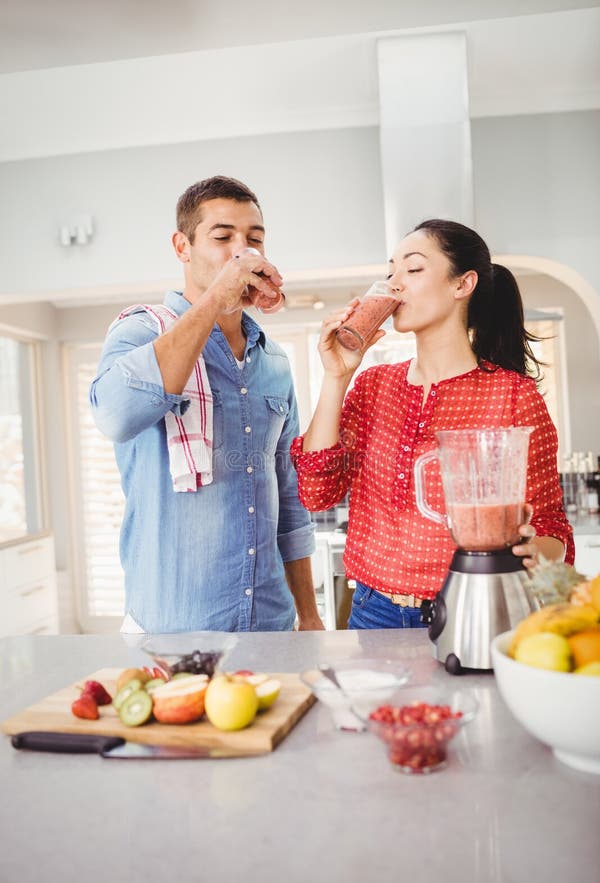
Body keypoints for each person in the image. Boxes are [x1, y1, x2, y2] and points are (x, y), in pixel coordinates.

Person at [291, 219, 574, 630]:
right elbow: (316, 494)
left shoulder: (513, 397)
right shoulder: (372, 385)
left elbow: (551, 527)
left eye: (413, 268)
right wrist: (337, 376)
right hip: (372, 612)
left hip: (471, 609)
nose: (394, 283)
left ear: (462, 284)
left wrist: (533, 550)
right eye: (390, 271)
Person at [90, 175, 322, 634]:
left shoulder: (273, 361)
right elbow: (114, 416)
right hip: (172, 628)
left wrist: (309, 614)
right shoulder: (141, 332)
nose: (243, 251)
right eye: (223, 237)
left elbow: (289, 495)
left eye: (254, 239)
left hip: (270, 624)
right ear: (182, 246)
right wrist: (218, 296)